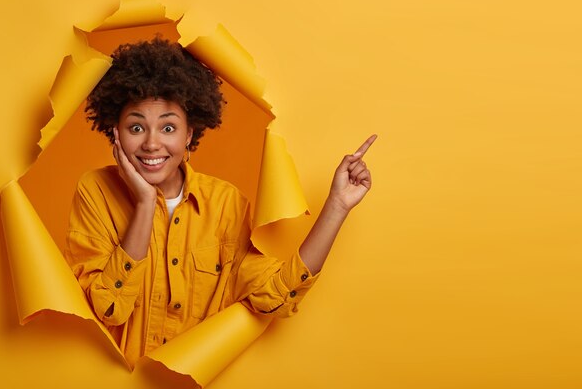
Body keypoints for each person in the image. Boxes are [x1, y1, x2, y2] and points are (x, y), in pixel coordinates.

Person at [64, 37, 375, 366]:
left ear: (188, 134)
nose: (152, 143)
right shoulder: (95, 191)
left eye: (168, 127)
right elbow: (107, 308)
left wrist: (337, 206)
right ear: (116, 132)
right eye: (137, 127)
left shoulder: (226, 204)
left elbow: (275, 296)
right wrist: (144, 205)